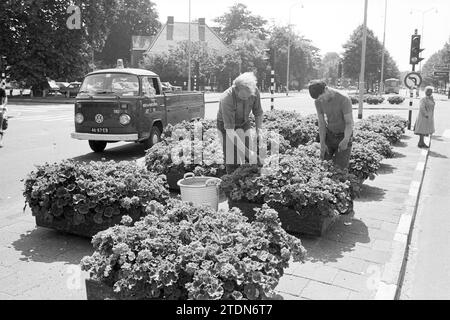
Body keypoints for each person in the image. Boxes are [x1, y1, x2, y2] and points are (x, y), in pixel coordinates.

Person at [217, 72, 264, 174]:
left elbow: (258, 113)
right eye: (243, 97)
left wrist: (259, 132)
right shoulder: (226, 98)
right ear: (235, 89)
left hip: (244, 122)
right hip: (226, 126)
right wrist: (248, 153)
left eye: (249, 97)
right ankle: (231, 180)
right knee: (232, 159)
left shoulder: (254, 91)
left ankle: (250, 180)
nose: (247, 99)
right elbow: (230, 131)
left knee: (250, 155)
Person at [309, 80, 354, 170]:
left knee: (340, 170)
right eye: (318, 99)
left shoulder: (344, 99)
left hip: (344, 135)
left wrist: (346, 140)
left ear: (326, 89)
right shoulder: (318, 101)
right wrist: (322, 143)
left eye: (321, 97)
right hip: (329, 136)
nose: (320, 100)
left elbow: (349, 122)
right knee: (323, 167)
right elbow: (321, 123)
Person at [0, 81, 8, 148]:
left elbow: (5, 99)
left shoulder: (2, 90)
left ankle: (1, 141)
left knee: (2, 125)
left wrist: (3, 105)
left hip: (0, 108)